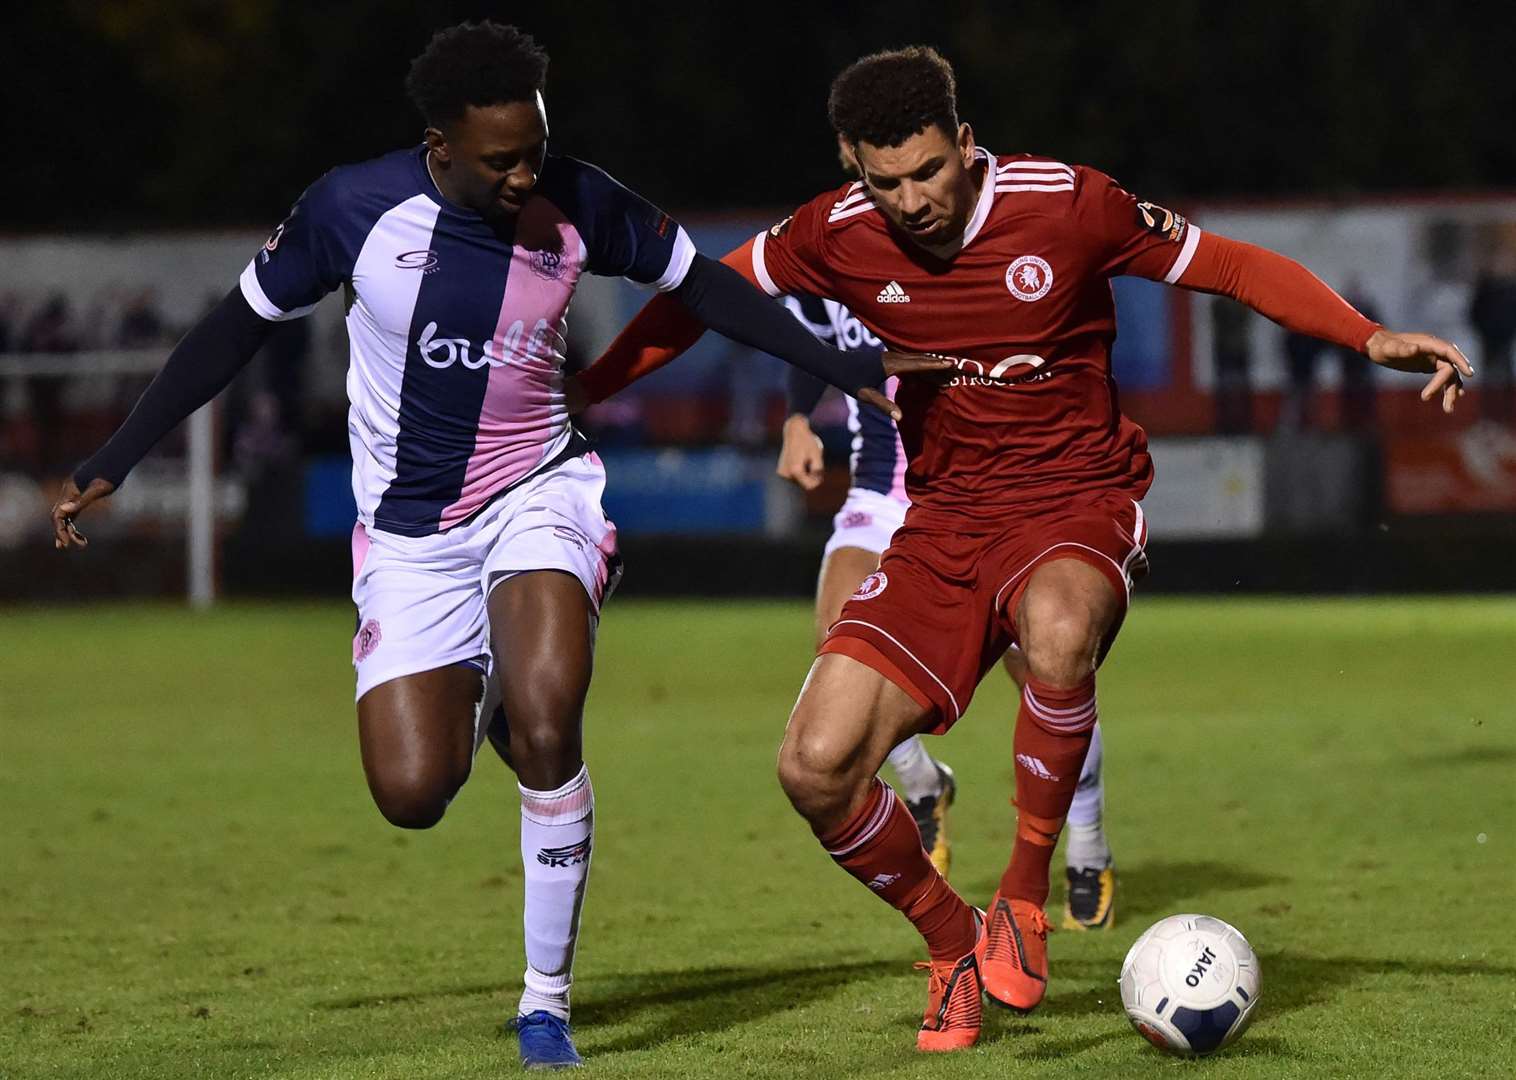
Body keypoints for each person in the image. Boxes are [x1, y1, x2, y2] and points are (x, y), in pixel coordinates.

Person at [48, 22, 945, 1070]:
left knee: (553, 719)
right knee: (413, 794)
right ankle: (483, 689)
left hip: (541, 491)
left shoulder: (579, 198)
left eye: (536, 148)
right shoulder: (352, 210)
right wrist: (119, 454)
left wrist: (856, 374)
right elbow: (234, 328)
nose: (527, 173)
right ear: (440, 146)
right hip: (409, 538)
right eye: (501, 159)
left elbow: (703, 289)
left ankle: (545, 1003)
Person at [570, 45, 1471, 1051]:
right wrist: (584, 390)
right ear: (851, 164)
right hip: (942, 520)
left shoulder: (1068, 204)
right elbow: (699, 292)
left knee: (1054, 628)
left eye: (929, 172)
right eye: (886, 180)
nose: (912, 200)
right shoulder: (833, 232)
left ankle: (1025, 893)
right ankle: (952, 940)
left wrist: (1365, 337)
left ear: (964, 143)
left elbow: (1226, 263)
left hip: (1077, 497)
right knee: (814, 767)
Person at [778, 295, 1116, 924]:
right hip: (880, 490)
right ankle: (925, 785)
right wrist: (798, 417)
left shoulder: (968, 249)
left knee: (1049, 670)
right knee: (836, 632)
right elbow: (809, 345)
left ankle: (1088, 844)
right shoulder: (831, 253)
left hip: (984, 499)